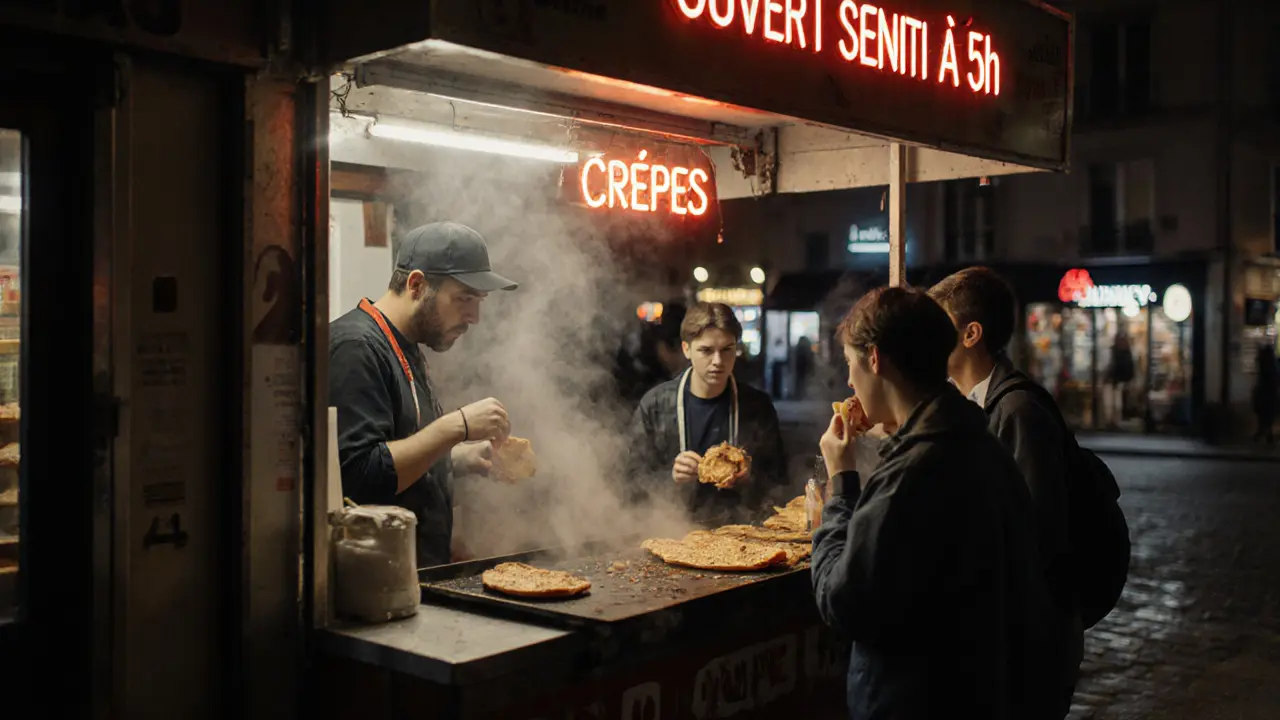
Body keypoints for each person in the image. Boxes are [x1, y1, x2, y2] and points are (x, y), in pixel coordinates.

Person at [811, 286, 1060, 720]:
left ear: (874, 359)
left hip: (916, 700)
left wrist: (842, 485)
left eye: (851, 364)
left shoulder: (912, 474)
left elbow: (845, 602)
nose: (849, 382)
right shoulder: (977, 441)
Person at [929, 266, 1082, 717]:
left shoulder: (1017, 411)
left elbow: (1036, 535)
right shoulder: (964, 403)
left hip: (1028, 641)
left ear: (970, 333)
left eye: (937, 325)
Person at [329, 221, 517, 567]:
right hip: (374, 584)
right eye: (464, 298)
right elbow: (358, 478)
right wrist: (455, 427)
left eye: (479, 301)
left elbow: (400, 452)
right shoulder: (356, 347)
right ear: (416, 284)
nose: (474, 317)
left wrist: (456, 459)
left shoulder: (407, 346)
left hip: (413, 574)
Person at [628, 302, 786, 522]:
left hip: (739, 530)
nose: (718, 362)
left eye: (727, 350)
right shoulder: (655, 404)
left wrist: (750, 477)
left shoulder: (757, 406)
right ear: (686, 349)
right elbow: (631, 482)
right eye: (706, 350)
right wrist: (670, 477)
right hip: (672, 528)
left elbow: (779, 483)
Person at [1253, 342, 1277, 445]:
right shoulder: (1273, 365)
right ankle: (1266, 435)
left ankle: (1264, 434)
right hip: (1271, 395)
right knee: (1267, 416)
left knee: (1263, 416)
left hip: (1265, 395)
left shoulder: (1265, 365)